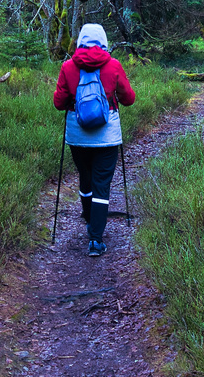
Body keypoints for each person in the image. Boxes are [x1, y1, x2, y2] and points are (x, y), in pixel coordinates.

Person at [53, 24, 136, 257]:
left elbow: (59, 103)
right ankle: (96, 240)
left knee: (85, 178)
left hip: (77, 136)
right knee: (102, 184)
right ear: (103, 41)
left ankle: (89, 217)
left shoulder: (68, 67)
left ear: (80, 41)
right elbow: (128, 99)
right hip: (107, 136)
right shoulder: (114, 65)